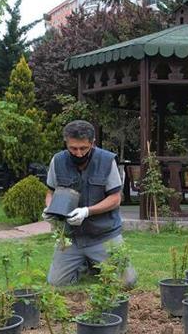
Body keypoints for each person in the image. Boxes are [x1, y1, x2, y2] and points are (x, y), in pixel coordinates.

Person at [43, 120, 137, 287]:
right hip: (72, 237)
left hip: (103, 235)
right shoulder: (57, 161)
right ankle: (84, 265)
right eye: (73, 148)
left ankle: (94, 263)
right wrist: (49, 209)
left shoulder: (107, 161)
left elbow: (116, 198)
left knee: (127, 282)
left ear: (92, 143)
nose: (78, 153)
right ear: (66, 143)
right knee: (56, 283)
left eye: (83, 148)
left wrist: (87, 211)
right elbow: (50, 192)